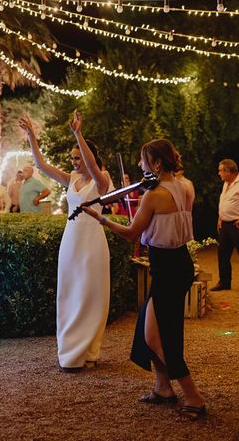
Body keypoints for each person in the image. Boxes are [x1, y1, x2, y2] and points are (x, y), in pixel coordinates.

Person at [82, 139, 206, 421]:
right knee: (149, 327)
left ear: (157, 164)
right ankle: (163, 387)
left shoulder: (153, 195)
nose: (139, 165)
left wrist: (101, 219)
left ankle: (193, 396)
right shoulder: (185, 186)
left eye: (143, 160)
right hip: (179, 262)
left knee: (164, 335)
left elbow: (131, 233)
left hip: (166, 266)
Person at [20, 111, 111, 372]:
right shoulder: (70, 179)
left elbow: (93, 167)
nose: (74, 162)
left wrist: (78, 134)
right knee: (70, 292)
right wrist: (31, 137)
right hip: (71, 240)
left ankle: (90, 351)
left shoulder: (101, 180)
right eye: (71, 158)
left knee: (91, 294)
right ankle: (71, 351)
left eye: (77, 157)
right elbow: (40, 165)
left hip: (93, 241)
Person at [211, 159, 239, 291]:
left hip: (237, 225)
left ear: (228, 171)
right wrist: (220, 218)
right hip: (225, 225)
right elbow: (224, 203)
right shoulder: (226, 183)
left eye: (220, 170)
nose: (219, 173)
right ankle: (224, 282)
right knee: (223, 254)